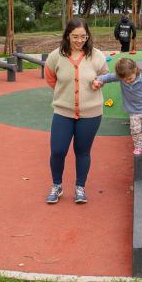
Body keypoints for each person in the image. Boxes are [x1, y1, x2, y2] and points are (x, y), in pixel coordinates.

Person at [44, 18, 109, 204]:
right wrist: (64, 94)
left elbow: (105, 74)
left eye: (83, 36)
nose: (80, 40)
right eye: (75, 37)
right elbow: (50, 78)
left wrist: (100, 81)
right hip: (63, 111)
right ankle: (57, 186)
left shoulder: (97, 56)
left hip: (91, 113)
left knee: (82, 151)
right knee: (57, 150)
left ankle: (80, 187)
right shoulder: (56, 56)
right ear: (67, 36)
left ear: (88, 36)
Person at [92, 57, 142, 156]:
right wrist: (98, 80)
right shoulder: (123, 76)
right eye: (123, 80)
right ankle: (138, 146)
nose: (127, 81)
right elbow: (108, 77)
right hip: (133, 110)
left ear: (135, 70)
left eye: (129, 79)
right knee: (135, 130)